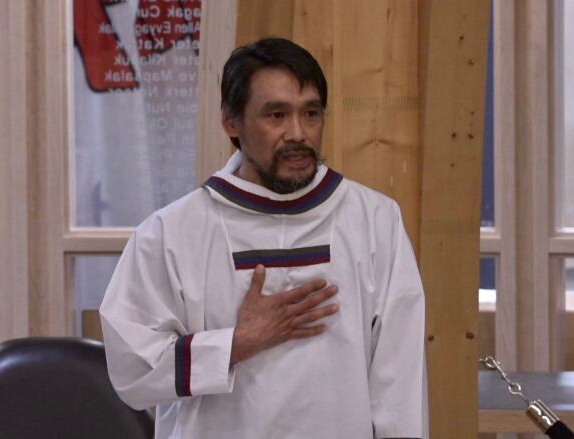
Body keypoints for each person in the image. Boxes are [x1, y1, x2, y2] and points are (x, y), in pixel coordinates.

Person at [100, 37, 427, 439]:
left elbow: (400, 387)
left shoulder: (375, 221)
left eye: (311, 113)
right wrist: (236, 344)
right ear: (231, 122)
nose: (298, 133)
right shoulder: (170, 234)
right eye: (276, 115)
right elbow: (132, 369)